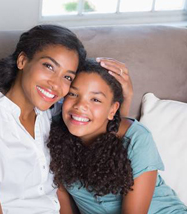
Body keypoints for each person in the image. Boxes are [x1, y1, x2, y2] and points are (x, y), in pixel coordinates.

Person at [0, 24, 132, 214]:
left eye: (67, 77)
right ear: (22, 60)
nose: (55, 84)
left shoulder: (50, 113)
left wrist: (125, 96)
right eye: (49, 66)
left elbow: (102, 124)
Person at [48, 59, 187, 214]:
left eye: (95, 99)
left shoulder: (136, 138)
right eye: (73, 94)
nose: (80, 105)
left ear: (112, 110)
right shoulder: (53, 138)